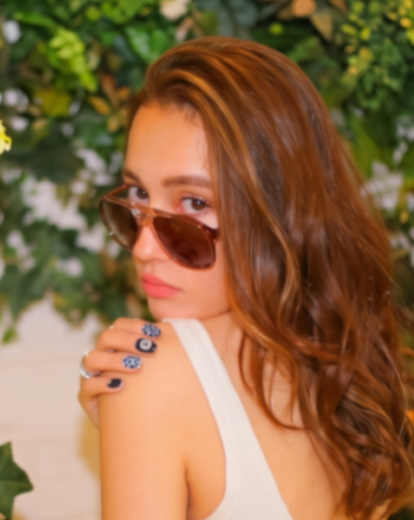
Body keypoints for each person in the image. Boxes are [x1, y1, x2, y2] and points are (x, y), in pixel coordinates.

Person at [77, 36, 414, 520]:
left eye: (195, 203)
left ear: (280, 211)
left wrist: (141, 421)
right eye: (137, 195)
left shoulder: (150, 378)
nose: (144, 248)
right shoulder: (346, 380)